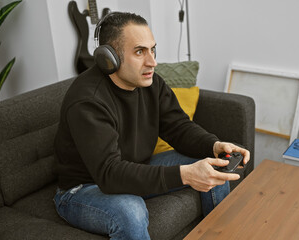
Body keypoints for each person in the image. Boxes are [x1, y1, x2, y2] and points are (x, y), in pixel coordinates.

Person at [53, 11, 250, 240]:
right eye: (139, 51)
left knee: (215, 164)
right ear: (109, 58)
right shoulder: (88, 101)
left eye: (152, 49)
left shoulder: (150, 82)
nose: (152, 62)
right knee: (130, 211)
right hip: (83, 189)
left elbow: (177, 126)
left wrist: (213, 145)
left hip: (132, 167)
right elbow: (109, 173)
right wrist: (184, 175)